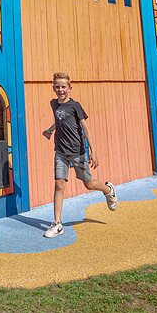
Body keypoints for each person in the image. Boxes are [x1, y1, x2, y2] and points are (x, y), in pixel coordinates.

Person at [40, 71, 118, 238]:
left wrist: (94, 151)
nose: (60, 89)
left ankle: (108, 189)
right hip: (60, 151)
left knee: (88, 184)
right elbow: (60, 119)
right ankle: (57, 223)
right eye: (57, 86)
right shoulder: (53, 104)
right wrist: (50, 130)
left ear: (70, 88)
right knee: (59, 184)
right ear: (53, 88)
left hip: (78, 152)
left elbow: (85, 129)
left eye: (63, 86)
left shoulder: (75, 106)